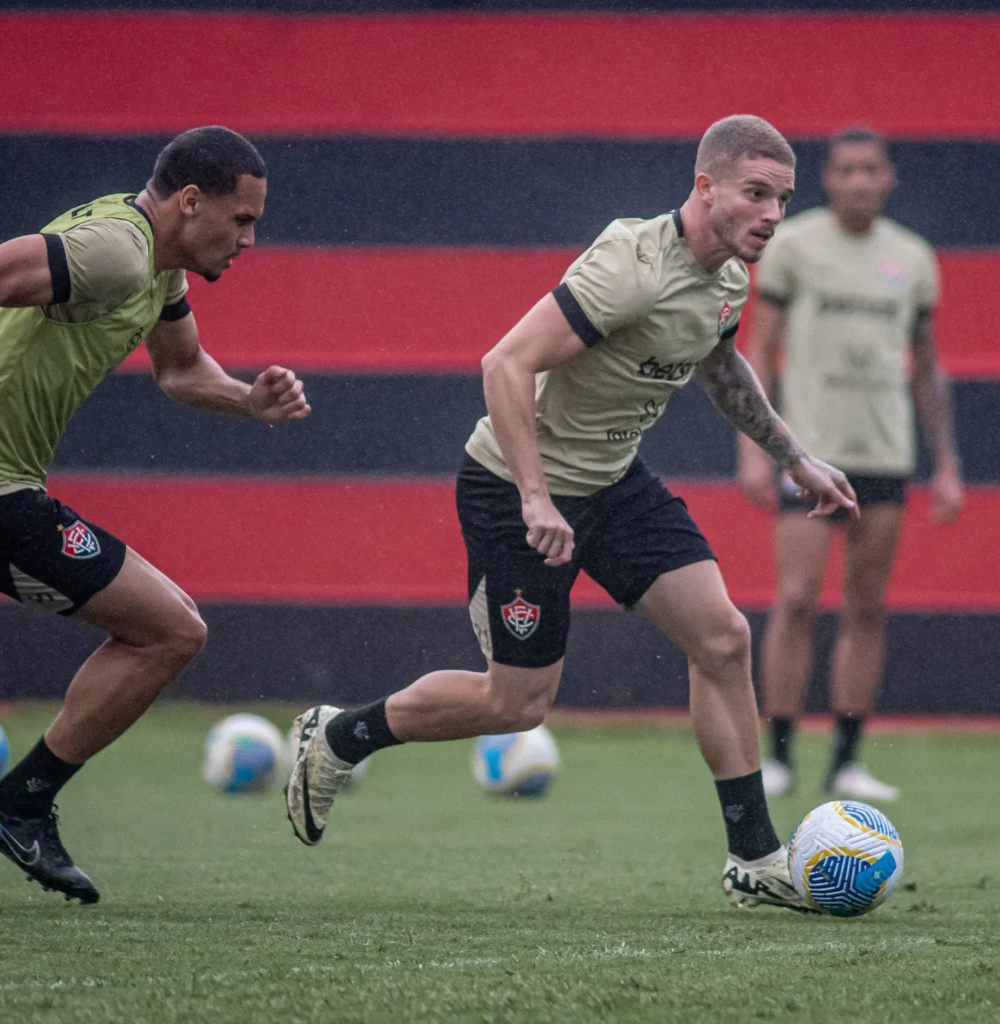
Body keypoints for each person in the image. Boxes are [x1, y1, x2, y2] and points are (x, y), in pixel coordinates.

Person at [287, 115, 855, 911]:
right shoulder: (631, 265)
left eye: (782, 199)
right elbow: (504, 363)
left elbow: (716, 363)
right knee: (517, 704)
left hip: (615, 485)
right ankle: (340, 736)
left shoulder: (728, 274)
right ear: (705, 188)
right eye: (755, 193)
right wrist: (533, 496)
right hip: (513, 489)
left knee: (723, 638)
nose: (771, 213)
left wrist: (795, 458)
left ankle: (755, 859)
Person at [0, 126, 311, 905]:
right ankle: (20, 802)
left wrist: (249, 400)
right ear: (189, 202)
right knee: (173, 630)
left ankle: (18, 803)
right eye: (242, 220)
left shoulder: (157, 269)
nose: (249, 239)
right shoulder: (116, 248)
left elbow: (180, 371)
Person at [737, 126, 964, 802]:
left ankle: (847, 763)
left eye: (871, 169)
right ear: (828, 179)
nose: (860, 181)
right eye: (846, 170)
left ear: (888, 177)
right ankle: (777, 756)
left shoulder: (913, 258)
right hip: (805, 453)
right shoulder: (795, 247)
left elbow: (927, 369)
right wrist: (753, 447)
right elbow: (758, 349)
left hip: (884, 454)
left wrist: (946, 462)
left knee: (866, 609)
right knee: (797, 600)